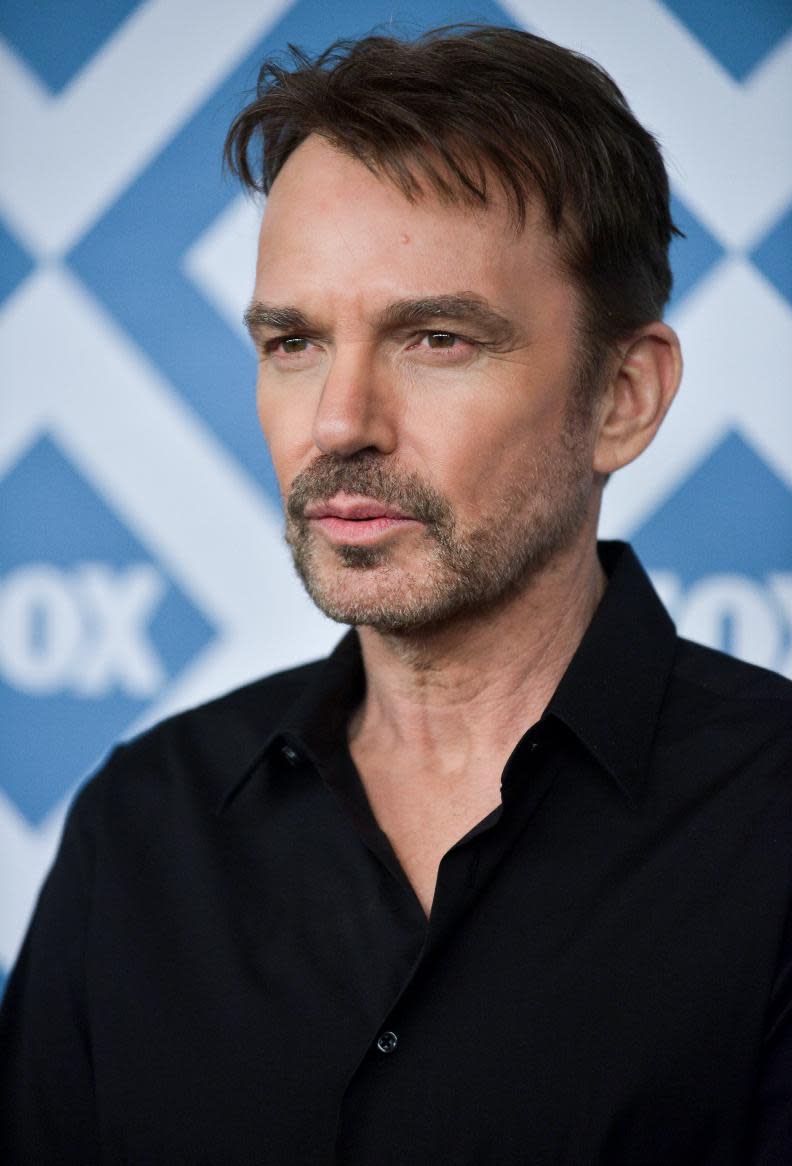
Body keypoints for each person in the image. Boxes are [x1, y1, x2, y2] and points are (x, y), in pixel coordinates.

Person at [1, 24, 791, 1165]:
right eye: (294, 342)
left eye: (435, 337)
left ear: (623, 395)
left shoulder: (772, 829)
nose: (339, 419)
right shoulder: (144, 827)